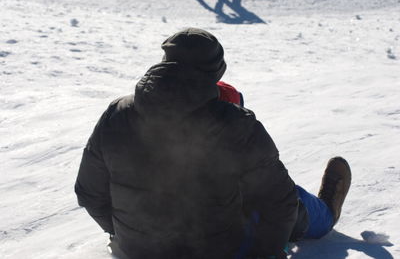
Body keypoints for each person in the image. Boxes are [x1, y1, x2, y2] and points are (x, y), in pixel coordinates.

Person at [75, 28, 351, 259]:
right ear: (216, 72)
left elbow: (89, 192)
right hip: (220, 251)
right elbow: (280, 205)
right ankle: (325, 214)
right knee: (283, 194)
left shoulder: (116, 113)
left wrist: (127, 235)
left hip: (135, 251)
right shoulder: (237, 124)